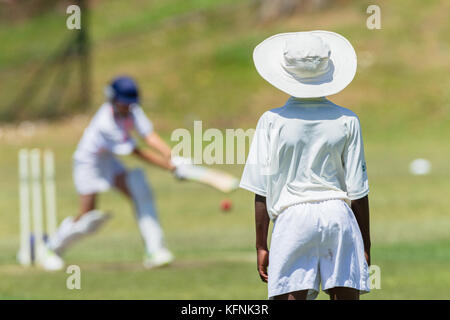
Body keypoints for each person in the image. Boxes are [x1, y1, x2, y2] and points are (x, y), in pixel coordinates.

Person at [240, 31, 371, 300]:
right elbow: (358, 192)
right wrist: (365, 244)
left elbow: (261, 191)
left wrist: (260, 245)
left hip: (292, 220)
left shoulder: (271, 121)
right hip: (339, 217)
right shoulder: (347, 119)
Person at [49, 76, 180, 268]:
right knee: (88, 218)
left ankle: (155, 250)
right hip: (89, 162)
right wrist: (170, 167)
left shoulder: (133, 111)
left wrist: (171, 155)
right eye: (124, 103)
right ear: (113, 99)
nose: (128, 108)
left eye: (130, 104)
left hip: (109, 160)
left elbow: (149, 136)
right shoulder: (105, 123)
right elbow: (137, 152)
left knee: (140, 193)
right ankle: (51, 248)